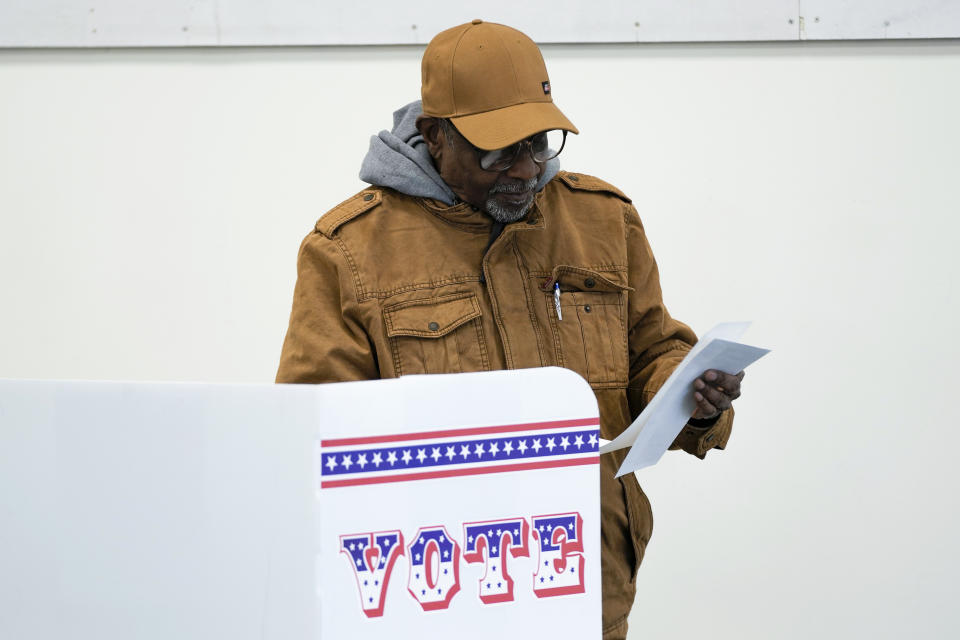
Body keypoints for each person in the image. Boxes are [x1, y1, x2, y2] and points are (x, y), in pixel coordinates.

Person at [276, 19, 744, 640]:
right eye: (496, 151)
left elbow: (653, 354)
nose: (523, 169)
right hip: (438, 599)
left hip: (589, 584)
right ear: (434, 135)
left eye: (537, 142)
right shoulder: (349, 253)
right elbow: (312, 438)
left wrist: (692, 395)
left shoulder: (604, 222)